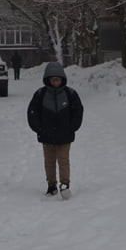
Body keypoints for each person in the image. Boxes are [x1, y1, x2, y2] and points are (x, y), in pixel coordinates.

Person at [27, 61, 83, 197]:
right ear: (48, 80)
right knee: (49, 161)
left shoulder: (70, 94)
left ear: (62, 79)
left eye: (58, 80)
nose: (55, 82)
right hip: (47, 135)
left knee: (63, 160)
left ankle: (64, 184)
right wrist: (38, 129)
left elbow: (78, 111)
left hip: (65, 135)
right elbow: (32, 112)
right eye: (53, 80)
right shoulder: (40, 95)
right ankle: (51, 185)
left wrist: (72, 127)